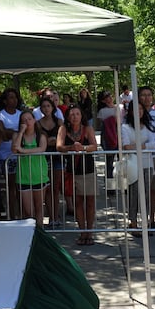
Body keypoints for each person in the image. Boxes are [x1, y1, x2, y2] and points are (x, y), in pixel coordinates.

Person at [57, 104, 97, 245]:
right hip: (72, 170)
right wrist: (70, 148)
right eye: (72, 114)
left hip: (88, 169)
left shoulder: (88, 129)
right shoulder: (63, 129)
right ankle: (82, 232)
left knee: (90, 202)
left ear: (82, 116)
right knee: (78, 202)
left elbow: (94, 146)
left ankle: (90, 233)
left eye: (77, 114)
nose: (75, 117)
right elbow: (59, 146)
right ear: (68, 116)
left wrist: (83, 148)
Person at [121, 100, 155, 237]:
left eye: (141, 109)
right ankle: (133, 222)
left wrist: (138, 146)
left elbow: (153, 144)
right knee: (133, 194)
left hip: (147, 164)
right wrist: (142, 146)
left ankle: (145, 223)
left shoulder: (148, 126)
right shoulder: (125, 127)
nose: (139, 111)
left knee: (145, 194)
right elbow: (126, 146)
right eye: (136, 109)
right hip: (133, 165)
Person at [12, 111, 49, 227]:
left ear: (34, 120)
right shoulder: (17, 135)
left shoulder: (41, 136)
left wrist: (23, 151)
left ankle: (40, 232)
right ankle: (30, 233)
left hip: (39, 175)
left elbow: (41, 149)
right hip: (24, 177)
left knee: (39, 207)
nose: (27, 122)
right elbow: (14, 149)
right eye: (24, 120)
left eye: (29, 119)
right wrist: (21, 132)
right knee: (28, 210)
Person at [137, 86, 155, 229]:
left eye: (149, 95)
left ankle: (152, 218)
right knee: (140, 189)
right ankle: (137, 219)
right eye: (143, 95)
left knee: (154, 189)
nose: (146, 98)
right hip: (139, 157)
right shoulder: (134, 114)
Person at [0, 88, 23, 219]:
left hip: (19, 154)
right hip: (4, 155)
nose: (14, 100)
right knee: (10, 187)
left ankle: (20, 214)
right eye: (11, 97)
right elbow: (3, 134)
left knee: (19, 187)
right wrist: (17, 133)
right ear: (5, 100)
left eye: (15, 97)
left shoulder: (21, 114)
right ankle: (12, 215)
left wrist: (11, 132)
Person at [37, 97, 64, 227]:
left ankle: (56, 215)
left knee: (56, 188)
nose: (46, 108)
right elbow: (41, 140)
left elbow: (61, 139)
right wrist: (49, 141)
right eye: (44, 106)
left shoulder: (59, 122)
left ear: (53, 107)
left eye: (48, 106)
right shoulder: (37, 123)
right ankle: (51, 216)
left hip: (57, 157)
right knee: (47, 188)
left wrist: (51, 141)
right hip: (44, 158)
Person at [97, 90, 121, 182]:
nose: (109, 98)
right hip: (109, 139)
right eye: (106, 97)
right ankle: (110, 186)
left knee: (122, 162)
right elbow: (101, 126)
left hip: (119, 137)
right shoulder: (102, 111)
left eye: (109, 96)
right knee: (109, 164)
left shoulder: (119, 108)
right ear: (103, 101)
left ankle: (123, 185)